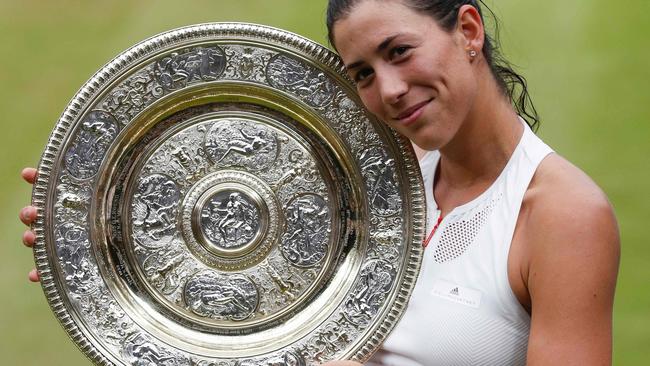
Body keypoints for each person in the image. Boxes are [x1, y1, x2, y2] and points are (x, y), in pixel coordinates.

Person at [20, 1, 620, 365]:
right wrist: (94, 248)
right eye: (362, 73)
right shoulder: (367, 177)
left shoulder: (564, 216)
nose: (388, 91)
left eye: (401, 51)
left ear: (467, 31)